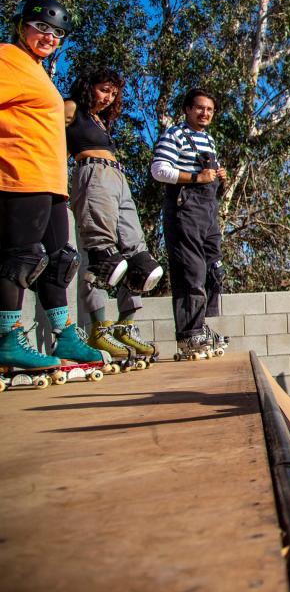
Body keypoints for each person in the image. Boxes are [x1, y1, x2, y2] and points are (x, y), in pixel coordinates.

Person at [0, 0, 107, 380]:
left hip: (50, 180)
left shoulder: (37, 70)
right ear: (21, 25)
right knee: (22, 258)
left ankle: (64, 336)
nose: (49, 36)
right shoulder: (7, 58)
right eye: (41, 27)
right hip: (19, 173)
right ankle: (8, 339)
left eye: (58, 32)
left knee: (62, 259)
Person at [65, 66, 163, 367]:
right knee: (103, 257)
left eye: (113, 93)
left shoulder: (101, 122)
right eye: (104, 90)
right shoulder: (70, 108)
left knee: (141, 264)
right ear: (88, 85)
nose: (109, 97)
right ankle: (98, 328)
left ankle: (125, 326)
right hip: (92, 175)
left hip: (118, 180)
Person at [150, 88, 230, 358]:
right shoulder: (175, 135)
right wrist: (196, 178)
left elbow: (210, 180)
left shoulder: (208, 139)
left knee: (212, 269)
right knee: (190, 271)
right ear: (186, 109)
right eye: (199, 108)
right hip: (185, 211)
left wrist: (220, 177)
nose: (204, 113)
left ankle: (201, 326)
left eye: (209, 109)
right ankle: (188, 335)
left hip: (208, 212)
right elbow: (159, 170)